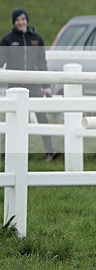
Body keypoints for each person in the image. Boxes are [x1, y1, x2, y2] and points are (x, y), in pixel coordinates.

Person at [0, 9, 59, 160]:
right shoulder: (8, 40)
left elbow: (41, 63)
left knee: (41, 116)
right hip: (15, 85)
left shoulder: (36, 40)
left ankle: (49, 149)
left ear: (27, 20)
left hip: (33, 84)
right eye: (18, 20)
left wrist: (45, 85)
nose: (21, 22)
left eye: (23, 19)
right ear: (14, 22)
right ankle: (7, 151)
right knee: (12, 118)